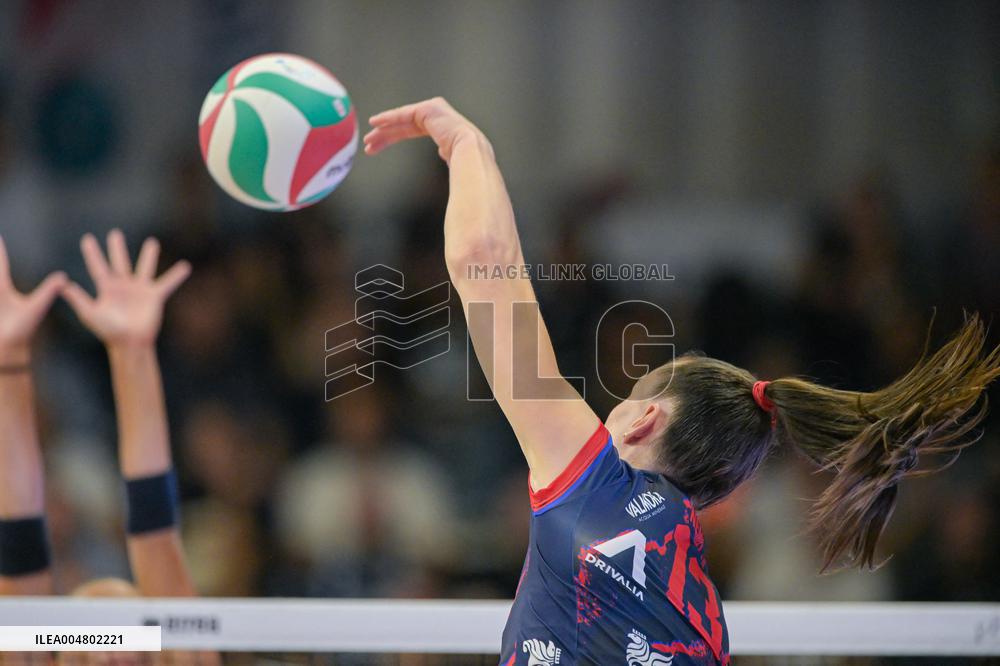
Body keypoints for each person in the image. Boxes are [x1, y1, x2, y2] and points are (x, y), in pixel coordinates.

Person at [363, 98, 1000, 666]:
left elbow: (484, 263)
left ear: (644, 421)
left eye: (626, 399)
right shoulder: (706, 621)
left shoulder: (590, 484)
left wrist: (469, 145)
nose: (606, 413)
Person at [0, 231, 218, 665]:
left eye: (120, 632)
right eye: (87, 643)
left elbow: (156, 541)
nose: (107, 646)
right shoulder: (32, 647)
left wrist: (131, 352)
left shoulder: (179, 648)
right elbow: (21, 559)